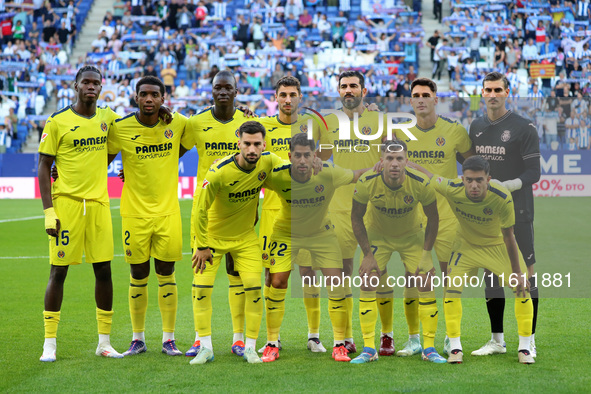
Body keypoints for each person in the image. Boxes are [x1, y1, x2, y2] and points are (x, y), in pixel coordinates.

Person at [413, 156, 535, 364]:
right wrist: (404, 163)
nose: (474, 185)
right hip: (466, 245)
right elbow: (428, 175)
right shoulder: (452, 188)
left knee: (522, 286)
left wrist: (517, 272)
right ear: (462, 179)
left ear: (489, 179)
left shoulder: (501, 196)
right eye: (469, 180)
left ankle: (524, 348)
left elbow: (509, 236)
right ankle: (455, 347)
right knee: (451, 288)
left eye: (479, 180)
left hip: (496, 245)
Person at [37, 65, 122, 362]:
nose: (91, 87)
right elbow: (43, 165)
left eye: (96, 83)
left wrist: (163, 111)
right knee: (58, 271)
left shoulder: (107, 117)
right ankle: (49, 343)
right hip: (67, 205)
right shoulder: (58, 120)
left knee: (104, 270)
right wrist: (49, 211)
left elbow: (137, 121)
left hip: (98, 204)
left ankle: (104, 342)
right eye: (85, 82)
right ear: (75, 86)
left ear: (101, 87)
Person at [259, 132, 367, 363]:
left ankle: (339, 344)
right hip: (286, 233)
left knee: (336, 282)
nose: (301, 160)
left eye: (307, 155)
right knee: (277, 282)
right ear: (289, 156)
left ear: (314, 156)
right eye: (297, 155)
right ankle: (271, 343)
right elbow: (251, 174)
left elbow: (357, 175)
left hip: (321, 234)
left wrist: (382, 167)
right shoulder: (277, 175)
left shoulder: (327, 173)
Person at [190, 121, 284, 365]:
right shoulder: (219, 171)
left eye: (257, 144)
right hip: (212, 239)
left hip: (244, 238)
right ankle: (206, 347)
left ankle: (250, 348)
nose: (252, 149)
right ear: (238, 143)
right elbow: (201, 210)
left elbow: (290, 172)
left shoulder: (269, 161)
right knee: (201, 290)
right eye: (247, 144)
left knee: (254, 289)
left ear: (264, 144)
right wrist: (201, 245)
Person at [107, 76, 187, 357]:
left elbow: (186, 143)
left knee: (167, 272)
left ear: (164, 98)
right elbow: (99, 158)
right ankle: (137, 338)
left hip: (168, 213)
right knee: (138, 273)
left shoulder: (176, 124)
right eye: (144, 94)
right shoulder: (121, 127)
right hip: (134, 214)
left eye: (155, 94)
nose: (149, 99)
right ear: (136, 98)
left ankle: (169, 339)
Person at [394, 78, 474, 357]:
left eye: (426, 95)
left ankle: (452, 339)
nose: (420, 99)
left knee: (449, 277)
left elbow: (472, 161)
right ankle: (415, 339)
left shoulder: (453, 130)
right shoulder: (401, 133)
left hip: (448, 216)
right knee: (414, 277)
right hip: (412, 217)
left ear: (436, 99)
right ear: (410, 100)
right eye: (415, 95)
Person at [181, 70, 255, 358]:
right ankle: (201, 339)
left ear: (236, 92)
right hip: (206, 212)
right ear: (211, 91)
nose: (222, 92)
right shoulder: (196, 122)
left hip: (240, 211)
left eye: (228, 88)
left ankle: (238, 339)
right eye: (217, 88)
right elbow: (172, 150)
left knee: (236, 275)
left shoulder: (247, 123)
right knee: (201, 277)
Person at [350, 140, 445, 364]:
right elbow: (356, 216)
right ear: (381, 161)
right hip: (378, 237)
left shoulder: (420, 183)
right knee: (368, 279)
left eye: (399, 158)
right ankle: (369, 348)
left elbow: (433, 217)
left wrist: (426, 253)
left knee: (425, 280)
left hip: (412, 236)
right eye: (389, 158)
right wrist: (367, 254)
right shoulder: (367, 181)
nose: (394, 163)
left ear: (406, 161)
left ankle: (427, 347)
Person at [468, 72, 541, 358]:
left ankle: (528, 341)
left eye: (498, 89)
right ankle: (497, 340)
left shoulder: (524, 128)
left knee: (526, 275)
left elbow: (534, 172)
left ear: (507, 92)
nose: (493, 94)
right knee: (492, 276)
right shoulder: (476, 126)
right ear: (482, 93)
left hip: (518, 211)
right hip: (487, 215)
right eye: (488, 90)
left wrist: (505, 186)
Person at [318, 70, 388, 355]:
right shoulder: (329, 122)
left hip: (376, 206)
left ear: (363, 90)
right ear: (338, 91)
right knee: (344, 272)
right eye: (344, 86)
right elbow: (319, 160)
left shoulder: (379, 119)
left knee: (378, 273)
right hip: (341, 207)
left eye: (354, 86)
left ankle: (386, 335)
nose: (349, 90)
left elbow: (392, 153)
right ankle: (346, 337)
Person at [257, 76, 326, 353]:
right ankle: (273, 337)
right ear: (275, 97)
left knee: (309, 274)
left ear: (300, 98)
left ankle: (314, 336)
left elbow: (324, 158)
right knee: (272, 277)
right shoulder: (263, 126)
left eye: (292, 94)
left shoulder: (313, 127)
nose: (287, 99)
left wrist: (321, 160)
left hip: (307, 212)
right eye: (283, 94)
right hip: (273, 212)